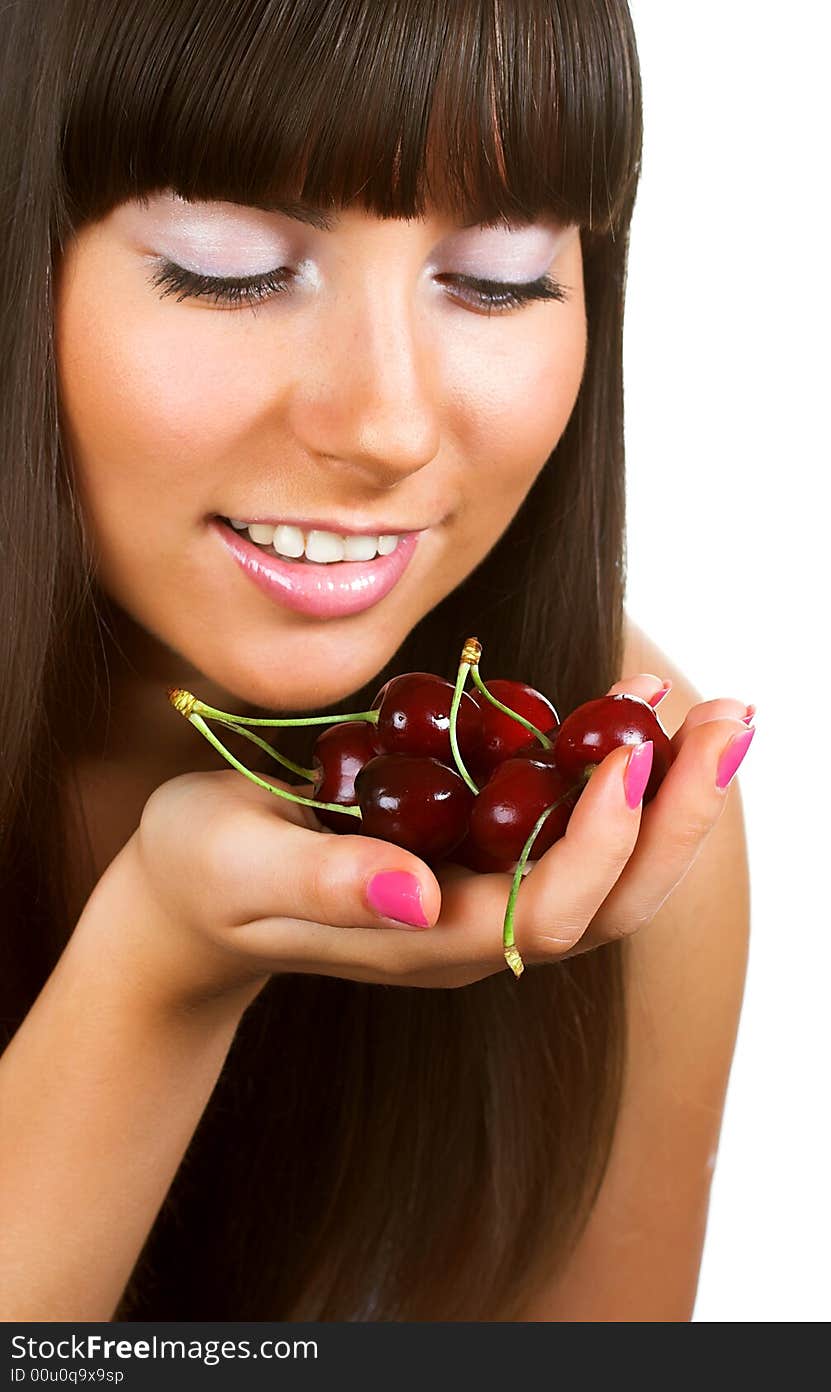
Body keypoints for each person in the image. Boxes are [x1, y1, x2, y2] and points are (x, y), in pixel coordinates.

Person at [0, 0, 753, 1322]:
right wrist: (159, 969)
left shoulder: (611, 799)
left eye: (502, 276)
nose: (389, 423)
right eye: (229, 267)